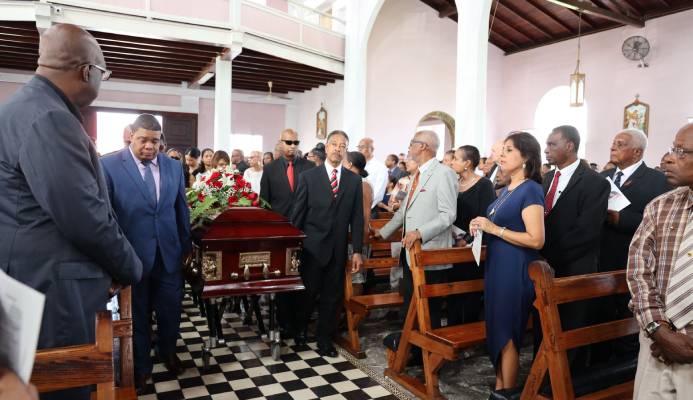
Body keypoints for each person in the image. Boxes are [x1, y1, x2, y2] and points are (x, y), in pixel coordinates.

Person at [0, 23, 143, 400]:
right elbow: (84, 216)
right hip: (52, 293)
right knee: (62, 391)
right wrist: (129, 267)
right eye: (104, 73)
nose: (102, 81)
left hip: (30, 282)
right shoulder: (49, 117)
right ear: (87, 71)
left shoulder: (23, 107)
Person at [101, 114, 191, 394]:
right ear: (130, 136)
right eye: (143, 140)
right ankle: (141, 367)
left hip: (169, 254)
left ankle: (167, 351)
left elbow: (181, 210)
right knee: (137, 313)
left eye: (155, 141)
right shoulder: (109, 166)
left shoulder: (173, 167)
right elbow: (108, 216)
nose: (149, 147)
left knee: (170, 309)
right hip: (133, 256)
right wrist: (115, 259)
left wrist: (186, 247)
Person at [469, 131, 545, 390]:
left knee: (508, 334)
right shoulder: (505, 190)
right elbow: (496, 224)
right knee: (497, 331)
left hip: (516, 269)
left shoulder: (531, 189)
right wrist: (480, 225)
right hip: (497, 267)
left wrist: (494, 230)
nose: (501, 154)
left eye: (509, 150)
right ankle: (500, 388)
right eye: (502, 150)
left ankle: (507, 392)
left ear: (526, 157)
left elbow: (536, 239)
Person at [627, 123, 693, 399]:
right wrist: (659, 331)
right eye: (671, 149)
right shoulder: (660, 206)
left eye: (681, 151)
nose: (668, 158)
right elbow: (639, 272)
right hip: (656, 342)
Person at [595, 129, 671, 361]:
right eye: (613, 143)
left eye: (620, 144)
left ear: (637, 151)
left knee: (628, 322)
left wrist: (620, 219)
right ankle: (599, 365)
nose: (613, 147)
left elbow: (660, 222)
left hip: (633, 259)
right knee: (601, 318)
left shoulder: (657, 180)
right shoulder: (603, 177)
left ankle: (625, 369)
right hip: (601, 258)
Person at [541, 125, 609, 369]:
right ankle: (545, 373)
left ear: (569, 146)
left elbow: (586, 232)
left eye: (552, 144)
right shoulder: (547, 177)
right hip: (544, 265)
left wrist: (548, 255)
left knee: (571, 326)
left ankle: (569, 382)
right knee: (545, 325)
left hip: (574, 264)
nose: (546, 149)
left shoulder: (594, 182)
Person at [374, 131, 457, 329]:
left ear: (423, 147)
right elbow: (404, 210)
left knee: (430, 309)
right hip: (410, 252)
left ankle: (428, 355)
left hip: (430, 251)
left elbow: (448, 214)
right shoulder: (416, 174)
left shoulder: (444, 173)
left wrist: (420, 232)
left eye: (412, 143)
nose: (409, 147)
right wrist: (383, 232)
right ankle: (412, 349)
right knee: (411, 304)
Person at [291, 130, 364, 357]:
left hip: (338, 249)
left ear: (346, 150)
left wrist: (358, 251)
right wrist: (295, 246)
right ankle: (300, 331)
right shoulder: (309, 177)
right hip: (311, 248)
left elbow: (357, 218)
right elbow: (298, 215)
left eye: (343, 145)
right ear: (326, 146)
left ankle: (324, 340)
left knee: (332, 298)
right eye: (334, 144)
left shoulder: (354, 180)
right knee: (307, 294)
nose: (338, 148)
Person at [260, 129, 315, 340]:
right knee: (282, 278)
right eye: (288, 142)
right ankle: (284, 324)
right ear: (280, 143)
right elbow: (265, 203)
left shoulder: (309, 167)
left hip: (304, 231)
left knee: (302, 278)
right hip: (279, 231)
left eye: (295, 142)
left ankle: (301, 325)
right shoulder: (271, 169)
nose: (292, 145)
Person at [448, 145, 496, 325]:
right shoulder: (453, 182)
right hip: (451, 244)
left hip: (472, 246)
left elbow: (485, 216)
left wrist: (465, 240)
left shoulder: (484, 185)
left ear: (467, 163)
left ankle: (468, 331)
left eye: (456, 159)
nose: (452, 162)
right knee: (452, 290)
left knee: (469, 291)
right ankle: (452, 330)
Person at [343, 151, 372, 296]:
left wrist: (360, 240)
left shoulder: (363, 185)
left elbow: (366, 214)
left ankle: (356, 315)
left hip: (357, 233)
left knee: (356, 276)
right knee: (348, 276)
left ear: (349, 164)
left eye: (344, 161)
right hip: (347, 232)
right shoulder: (348, 181)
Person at [358, 138, 389, 214]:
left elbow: (378, 193)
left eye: (362, 147)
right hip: (355, 209)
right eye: (359, 147)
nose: (360, 150)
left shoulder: (380, 167)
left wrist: (364, 207)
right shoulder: (358, 165)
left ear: (371, 149)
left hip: (369, 210)